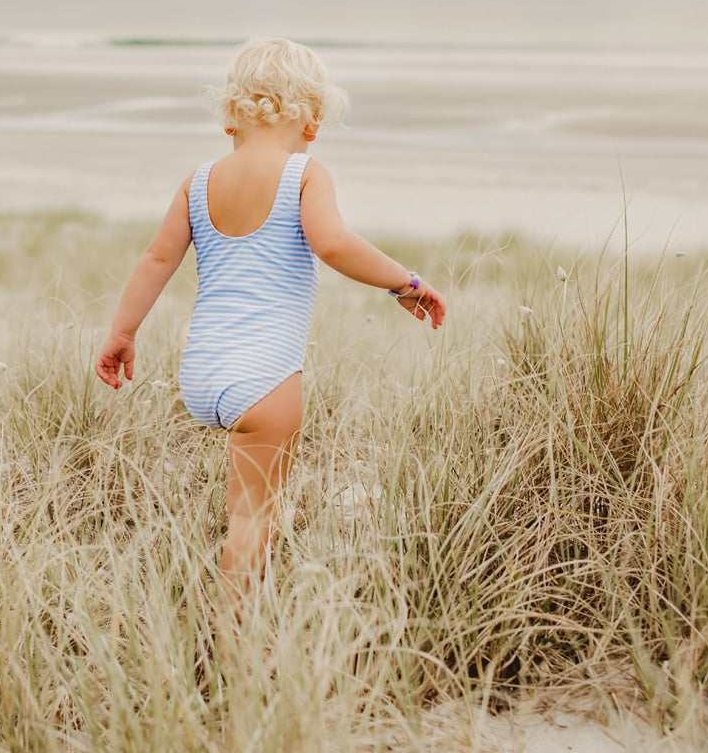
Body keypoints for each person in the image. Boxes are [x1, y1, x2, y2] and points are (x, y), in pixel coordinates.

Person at [94, 37, 445, 604]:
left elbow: (157, 258)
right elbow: (332, 243)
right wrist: (406, 282)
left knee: (248, 505)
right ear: (313, 120)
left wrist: (122, 333)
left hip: (202, 376)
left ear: (230, 119)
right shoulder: (305, 173)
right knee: (252, 519)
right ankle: (237, 639)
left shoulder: (200, 180)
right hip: (265, 378)